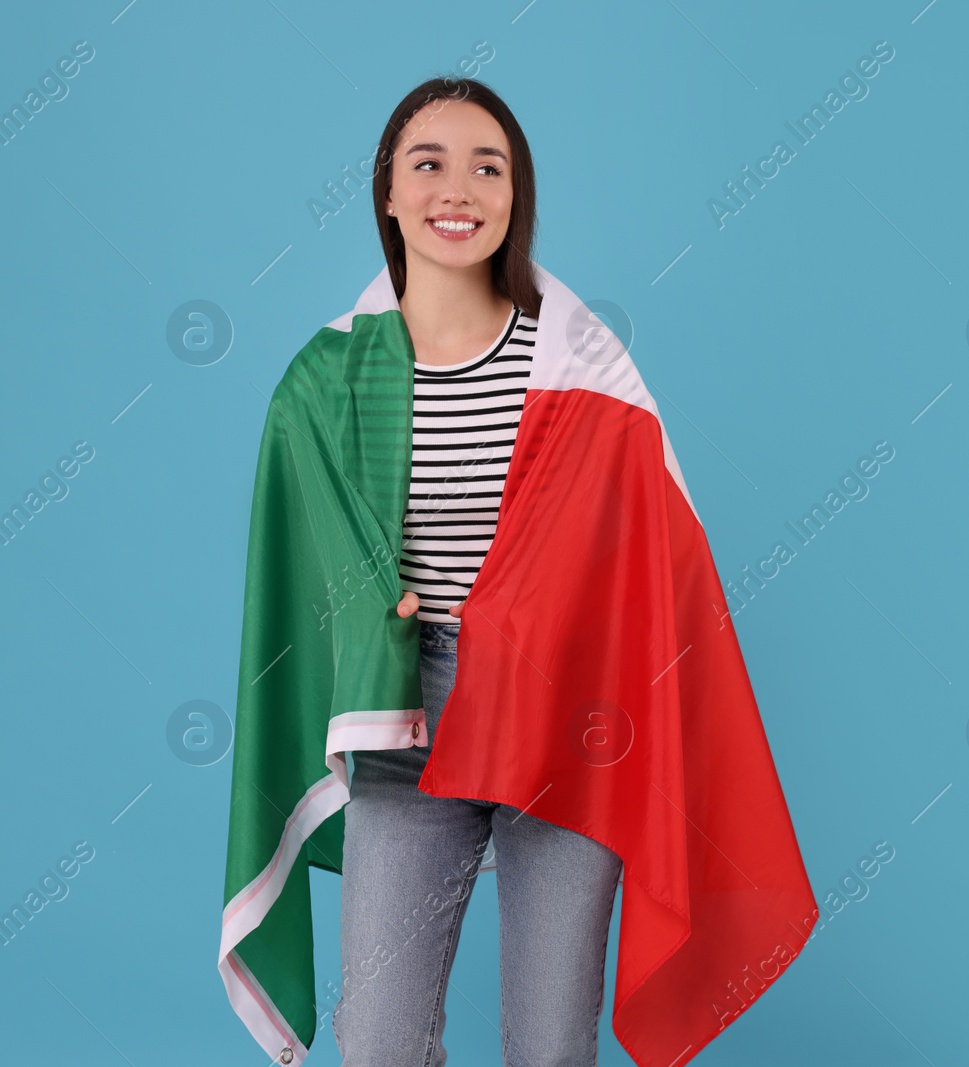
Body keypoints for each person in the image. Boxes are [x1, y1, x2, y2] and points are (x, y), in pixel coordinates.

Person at [330, 76, 623, 1067]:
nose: (458, 189)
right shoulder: (337, 372)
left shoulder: (580, 358)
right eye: (429, 162)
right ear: (388, 192)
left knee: (549, 1043)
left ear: (514, 194)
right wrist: (363, 600)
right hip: (408, 705)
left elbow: (643, 541)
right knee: (376, 1038)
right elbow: (306, 543)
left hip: (560, 706)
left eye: (486, 166)